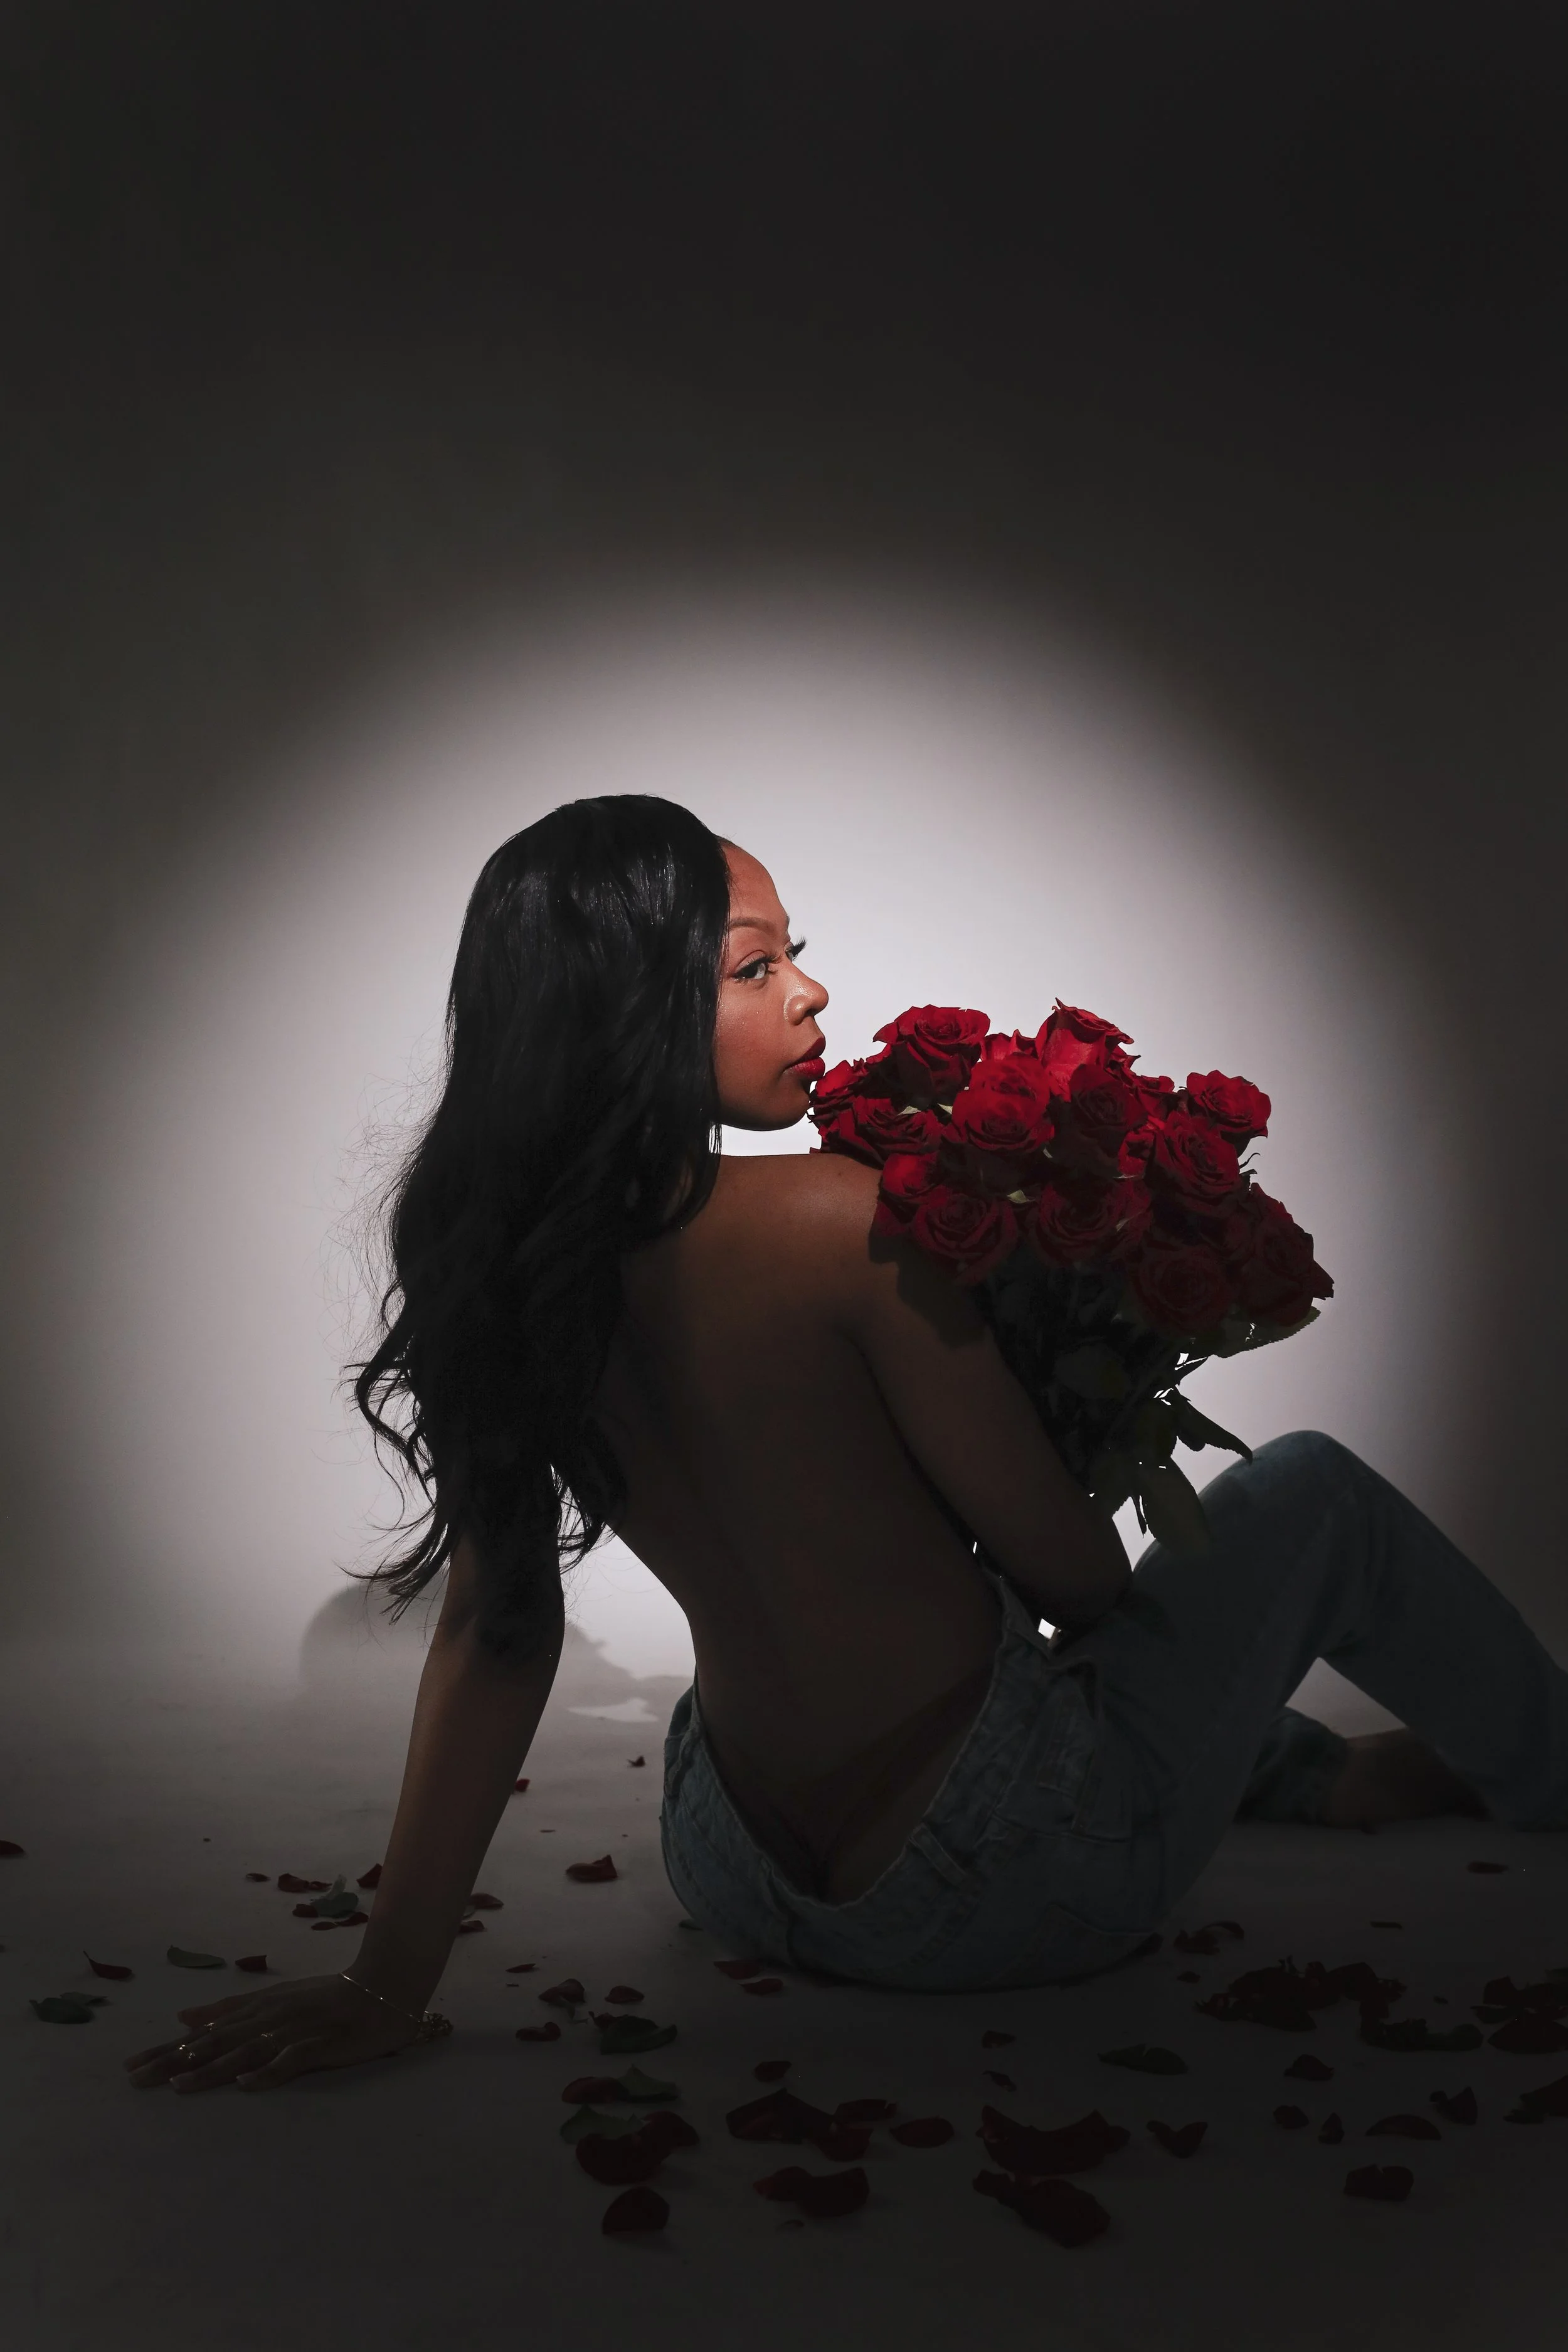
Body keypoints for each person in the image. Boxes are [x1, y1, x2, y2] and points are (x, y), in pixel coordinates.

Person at [125, 794, 1568, 2096]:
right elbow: (1078, 1586)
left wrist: (387, 1983)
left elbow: (496, 1634)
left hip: (733, 1868)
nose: (809, 992)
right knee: (1306, 1493)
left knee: (1005, 1674)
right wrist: (1061, 1397)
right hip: (1001, 1886)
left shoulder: (495, 1274)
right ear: (625, 1010)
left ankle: (1321, 1779)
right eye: (753, 969)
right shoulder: (838, 1225)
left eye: (792, 957)